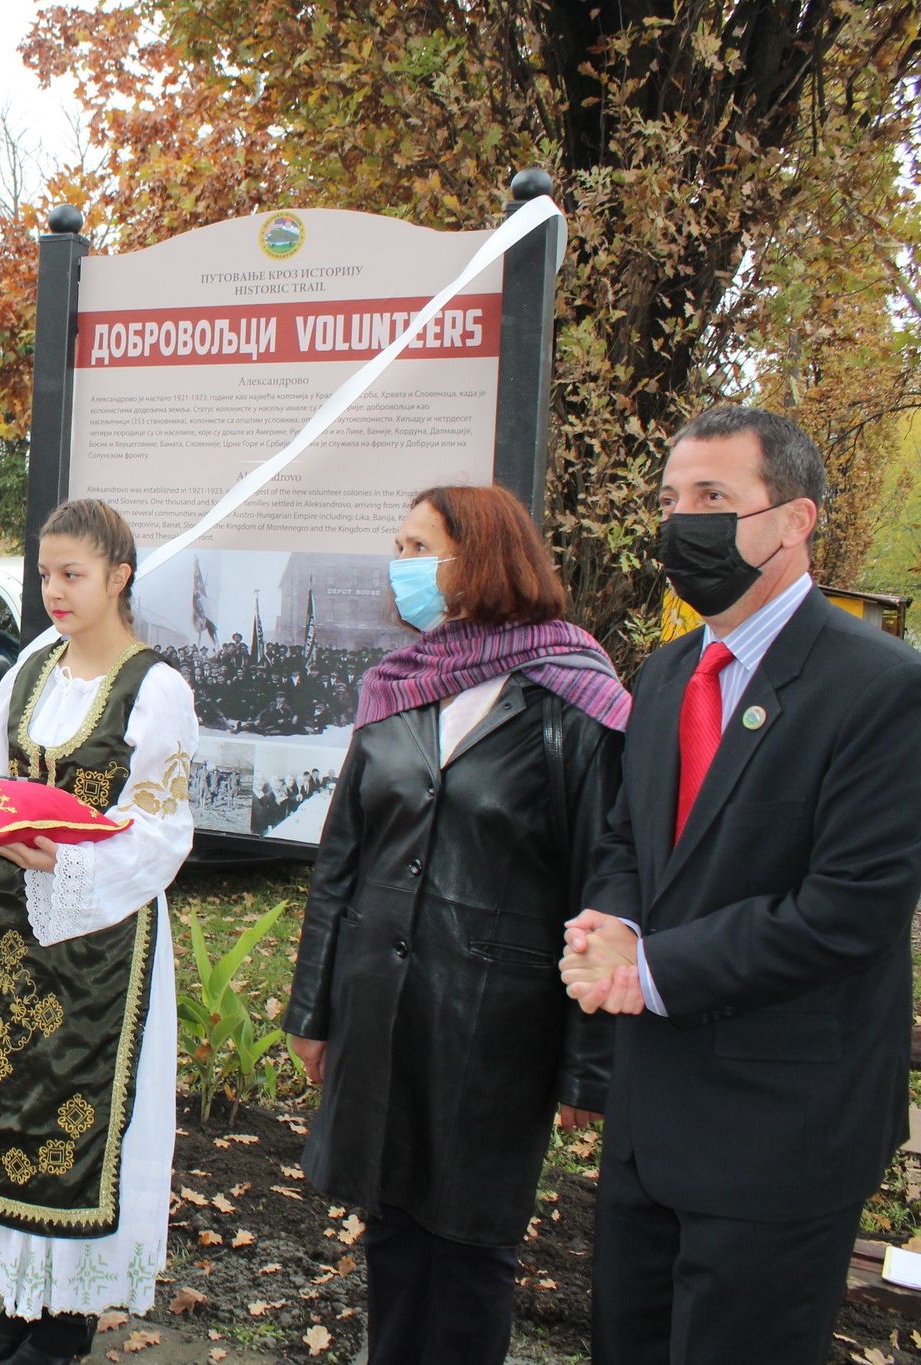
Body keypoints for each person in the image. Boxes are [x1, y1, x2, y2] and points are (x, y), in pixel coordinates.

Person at [559, 407, 921, 1365]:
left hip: (783, 1131)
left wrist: (651, 968)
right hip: (651, 1124)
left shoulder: (882, 686)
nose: (684, 522)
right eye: (671, 500)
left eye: (713, 497)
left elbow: (851, 908)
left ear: (795, 520)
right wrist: (609, 922)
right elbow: (628, 835)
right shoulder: (666, 674)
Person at [283, 484, 630, 1365]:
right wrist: (313, 1008)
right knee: (392, 1226)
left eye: (417, 547)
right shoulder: (398, 686)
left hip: (496, 1027)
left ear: (481, 556)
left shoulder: (573, 699)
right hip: (382, 1006)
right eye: (397, 545)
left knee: (472, 1248)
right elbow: (341, 860)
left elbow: (605, 888)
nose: (399, 565)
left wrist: (587, 1066)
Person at [0, 498, 198, 1365]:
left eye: (73, 573)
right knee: (5, 1099)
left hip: (101, 936)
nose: (55, 590)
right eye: (46, 574)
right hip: (12, 925)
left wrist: (66, 862)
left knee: (72, 1116)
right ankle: (18, 1295)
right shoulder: (31, 671)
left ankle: (67, 1314)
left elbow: (161, 830)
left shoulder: (156, 688)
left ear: (119, 576)